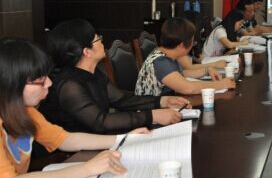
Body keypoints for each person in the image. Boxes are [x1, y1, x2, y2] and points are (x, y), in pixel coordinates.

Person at [0, 37, 135, 178]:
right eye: (41, 80)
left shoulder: (26, 111)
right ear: (12, 84)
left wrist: (125, 139)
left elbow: (65, 139)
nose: (49, 83)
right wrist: (87, 168)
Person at [40, 19, 188, 134]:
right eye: (97, 39)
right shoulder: (68, 85)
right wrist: (153, 116)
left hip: (98, 141)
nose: (102, 41)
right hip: (71, 155)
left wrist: (163, 101)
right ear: (87, 52)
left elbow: (122, 99)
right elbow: (101, 121)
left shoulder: (93, 73)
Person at [135, 18, 235, 96]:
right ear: (181, 46)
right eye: (192, 42)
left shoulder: (164, 52)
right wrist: (221, 84)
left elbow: (180, 75)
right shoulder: (161, 62)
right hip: (151, 111)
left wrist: (207, 70)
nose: (193, 44)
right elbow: (188, 88)